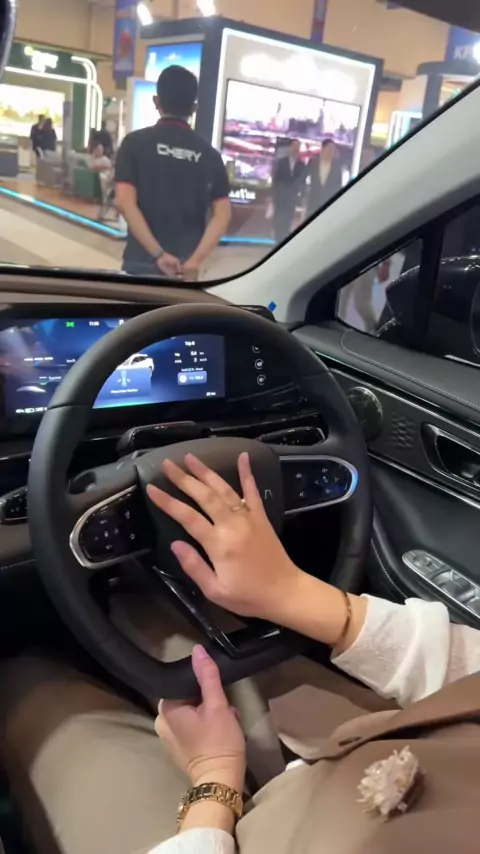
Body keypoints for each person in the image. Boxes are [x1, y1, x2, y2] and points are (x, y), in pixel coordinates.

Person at [2, 452, 480, 854]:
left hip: (278, 832)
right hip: (391, 751)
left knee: (34, 688)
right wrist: (293, 594)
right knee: (156, 620)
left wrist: (213, 780)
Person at [115, 65, 231, 280]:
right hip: (185, 268)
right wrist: (195, 261)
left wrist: (158, 254)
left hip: (140, 262)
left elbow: (124, 202)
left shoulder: (134, 144)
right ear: (194, 108)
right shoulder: (210, 156)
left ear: (156, 101)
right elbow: (222, 216)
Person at [271, 139, 305, 243]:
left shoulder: (302, 165)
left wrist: (301, 197)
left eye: (298, 147)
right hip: (280, 198)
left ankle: (284, 242)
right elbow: (275, 180)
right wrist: (273, 196)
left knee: (288, 221)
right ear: (290, 148)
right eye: (294, 146)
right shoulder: (281, 162)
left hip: (292, 199)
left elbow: (302, 182)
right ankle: (277, 242)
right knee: (278, 222)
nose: (296, 149)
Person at [305, 138, 344, 218]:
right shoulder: (313, 162)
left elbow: (338, 185)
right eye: (329, 148)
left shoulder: (337, 166)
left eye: (333, 149)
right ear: (322, 149)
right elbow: (303, 178)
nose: (331, 152)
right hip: (313, 202)